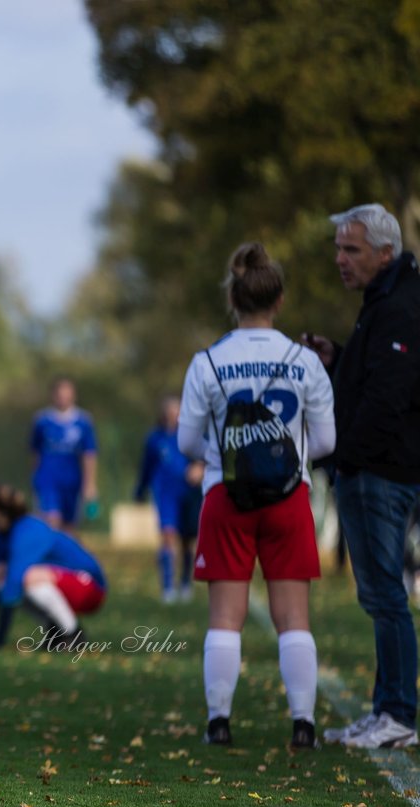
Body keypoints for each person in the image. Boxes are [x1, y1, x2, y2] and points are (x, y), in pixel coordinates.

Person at [178, 242, 335, 750]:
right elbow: (327, 442)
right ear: (280, 300)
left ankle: (219, 722)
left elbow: (186, 443)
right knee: (294, 618)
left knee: (226, 617)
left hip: (227, 495)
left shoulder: (207, 362)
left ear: (233, 298)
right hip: (289, 498)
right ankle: (303, 724)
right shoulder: (305, 360)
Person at [303, 203, 420, 749]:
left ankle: (396, 714)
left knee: (385, 596)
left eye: (351, 249)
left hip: (379, 472)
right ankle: (387, 711)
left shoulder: (398, 306)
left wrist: (343, 454)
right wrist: (339, 357)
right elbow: (378, 376)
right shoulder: (384, 301)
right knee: (380, 595)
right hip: (373, 467)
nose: (340, 260)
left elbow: (389, 397)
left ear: (384, 253)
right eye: (338, 249)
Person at [0, 482, 107, 652]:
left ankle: (73, 634)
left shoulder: (27, 530)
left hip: (91, 587)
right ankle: (56, 632)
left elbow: (14, 583)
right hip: (67, 582)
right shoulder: (2, 535)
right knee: (1, 576)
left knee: (27, 578)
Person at [135, 396, 195, 603]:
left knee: (187, 540)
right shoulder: (154, 439)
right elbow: (146, 467)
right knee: (167, 536)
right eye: (169, 409)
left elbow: (204, 459)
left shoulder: (190, 436)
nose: (172, 413)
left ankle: (186, 582)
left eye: (176, 410)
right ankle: (168, 587)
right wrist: (140, 490)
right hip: (164, 494)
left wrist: (199, 469)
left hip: (188, 493)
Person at [29, 377, 98, 532]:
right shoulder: (42, 420)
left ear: (73, 396)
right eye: (59, 394)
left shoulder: (83, 421)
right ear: (53, 395)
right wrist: (34, 477)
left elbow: (89, 454)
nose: (63, 398)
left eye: (67, 394)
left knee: (69, 526)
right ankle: (50, 554)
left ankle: (65, 554)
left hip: (72, 479)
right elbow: (35, 452)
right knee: (51, 520)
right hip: (47, 478)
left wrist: (90, 484)